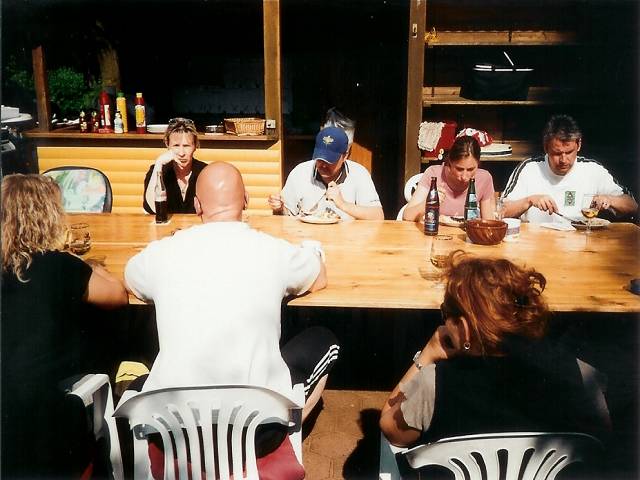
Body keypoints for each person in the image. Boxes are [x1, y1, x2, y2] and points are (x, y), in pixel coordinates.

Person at [125, 162, 340, 460]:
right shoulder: (273, 250)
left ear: (197, 205)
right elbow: (319, 277)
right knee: (324, 339)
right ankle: (287, 434)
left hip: (174, 431)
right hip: (256, 433)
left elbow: (131, 280)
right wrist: (311, 252)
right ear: (246, 200)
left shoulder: (163, 252)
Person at [380, 253, 611, 449]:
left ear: (465, 328)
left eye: (445, 313)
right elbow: (600, 439)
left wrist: (427, 355)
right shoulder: (580, 373)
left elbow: (390, 428)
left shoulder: (434, 384)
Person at [1, 174, 128, 478]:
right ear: (47, 216)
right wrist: (86, 264)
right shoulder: (59, 266)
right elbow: (118, 296)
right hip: (44, 430)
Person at [502, 115, 637, 222]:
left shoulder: (593, 170)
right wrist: (529, 200)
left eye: (569, 152)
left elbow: (633, 206)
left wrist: (610, 200)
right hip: (537, 243)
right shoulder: (529, 168)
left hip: (581, 243)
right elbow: (500, 211)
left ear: (579, 145)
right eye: (557, 153)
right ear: (546, 147)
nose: (563, 160)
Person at [268, 125, 384, 220]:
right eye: (320, 159)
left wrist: (342, 204)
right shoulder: (300, 172)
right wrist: (279, 208)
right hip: (306, 236)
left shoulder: (359, 174)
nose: (323, 165)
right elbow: (286, 217)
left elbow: (378, 216)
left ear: (345, 156)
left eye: (330, 160)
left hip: (347, 238)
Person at [403, 135, 496, 221]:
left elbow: (490, 222)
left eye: (470, 169)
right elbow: (407, 216)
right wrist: (429, 202)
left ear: (478, 164)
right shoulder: (433, 174)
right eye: (459, 169)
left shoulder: (484, 179)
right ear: (450, 163)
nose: (464, 177)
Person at [142, 117, 207, 214]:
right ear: (167, 145)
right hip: (167, 223)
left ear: (195, 146)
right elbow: (151, 209)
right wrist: (159, 163)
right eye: (176, 146)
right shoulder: (158, 170)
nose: (181, 153)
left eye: (186, 146)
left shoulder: (205, 172)